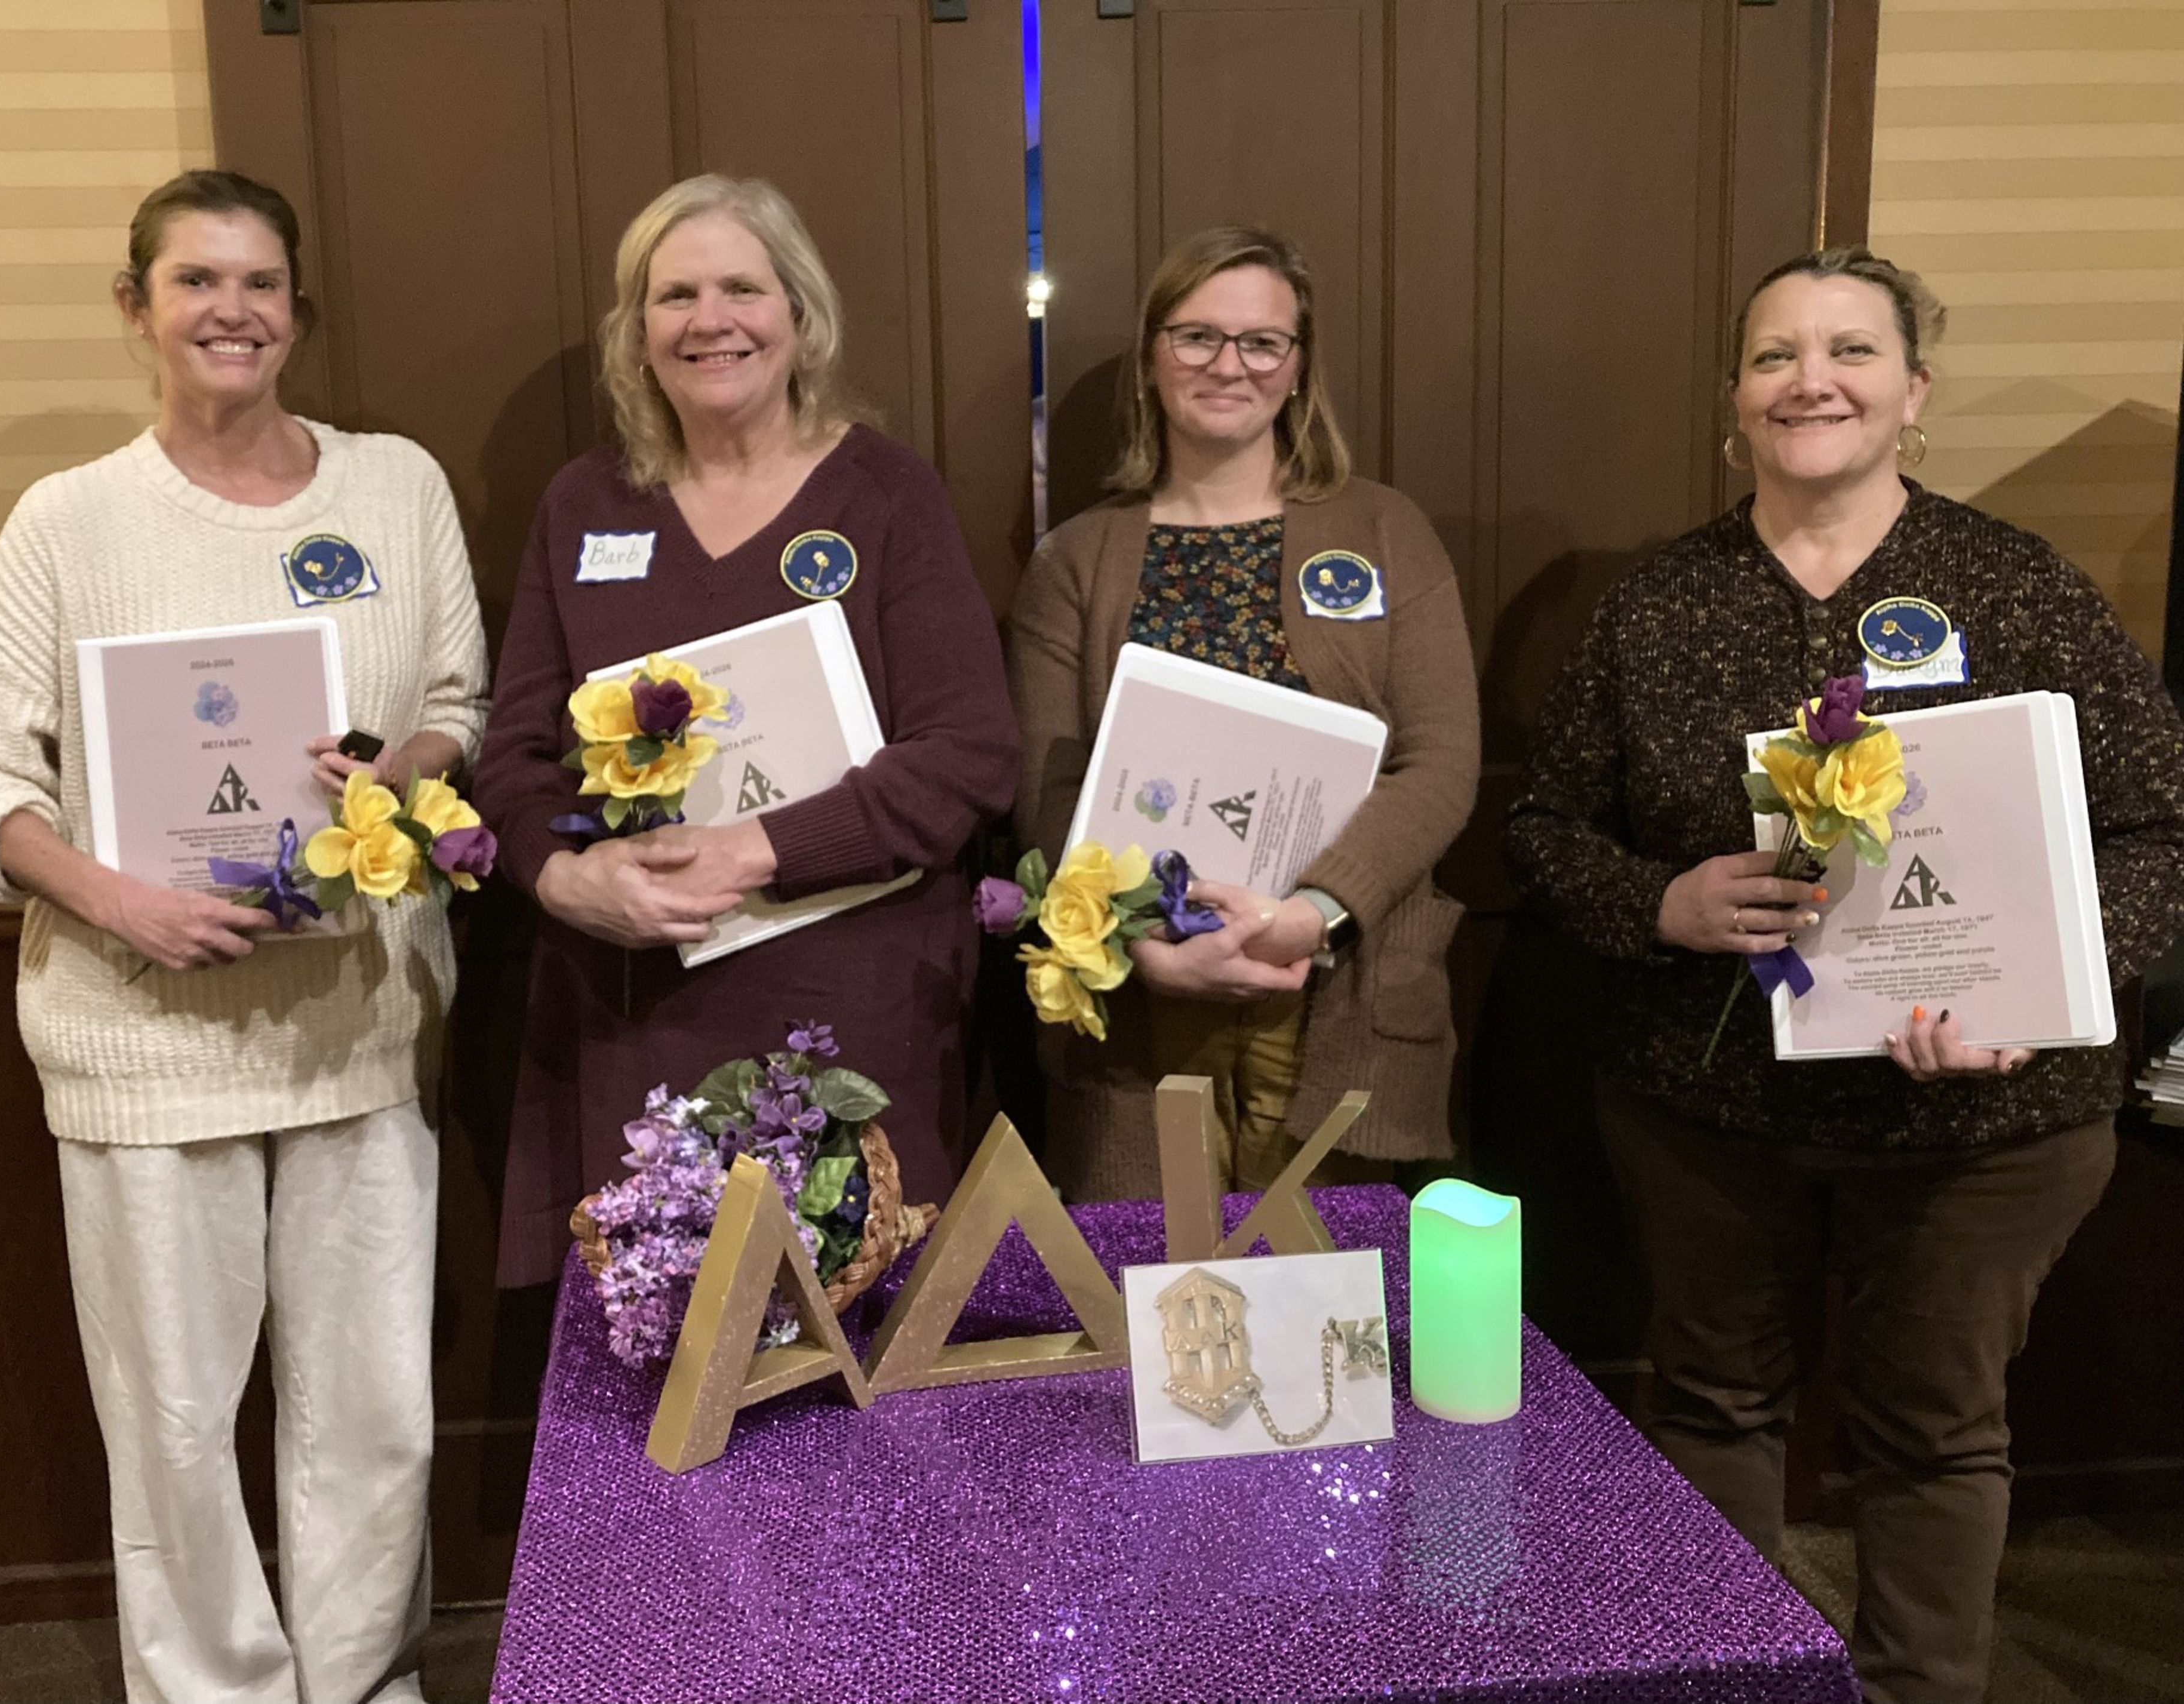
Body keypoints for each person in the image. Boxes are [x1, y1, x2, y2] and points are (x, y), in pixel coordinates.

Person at [1505, 246, 2184, 1704]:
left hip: (1983, 1125)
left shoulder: (2018, 586)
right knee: (1709, 1402)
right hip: (1709, 1108)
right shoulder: (1656, 604)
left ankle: (1922, 1689)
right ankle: (1728, 1679)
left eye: (1852, 351)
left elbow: (2157, 829)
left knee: (1938, 1429)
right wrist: (1660, 901)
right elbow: (1545, 828)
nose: (1810, 379)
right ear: (1736, 401)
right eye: (1774, 356)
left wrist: (2038, 992)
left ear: (1913, 391)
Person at [0, 170, 489, 1703]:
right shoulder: (72, 520)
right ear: (138, 307)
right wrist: (121, 899)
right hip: (142, 1035)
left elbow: (458, 710)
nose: (232, 311)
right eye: (194, 282)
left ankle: (362, 1680)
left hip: (358, 1020)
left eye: (260, 284)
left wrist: (398, 774)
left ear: (298, 309)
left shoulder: (395, 487)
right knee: (171, 1414)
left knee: (376, 1405)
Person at [474, 174, 1017, 1283]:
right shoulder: (584, 507)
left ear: (800, 315)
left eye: (742, 288)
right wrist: (566, 880)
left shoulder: (888, 496)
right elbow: (515, 758)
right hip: (638, 1013)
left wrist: (751, 849)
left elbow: (970, 756)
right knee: (663, 1369)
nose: (710, 320)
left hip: (854, 1012)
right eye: (674, 296)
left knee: (855, 1367)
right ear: (634, 335)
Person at [1007, 226, 1480, 1202]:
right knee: (1158, 1311)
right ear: (1152, 356)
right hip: (1140, 1005)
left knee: (1329, 1318)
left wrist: (1309, 913)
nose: (1230, 365)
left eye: (1263, 341)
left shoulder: (1384, 529)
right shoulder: (1076, 562)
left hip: (1339, 986)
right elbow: (1048, 787)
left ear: (1299, 366)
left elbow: (1442, 759)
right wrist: (1138, 943)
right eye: (1197, 337)